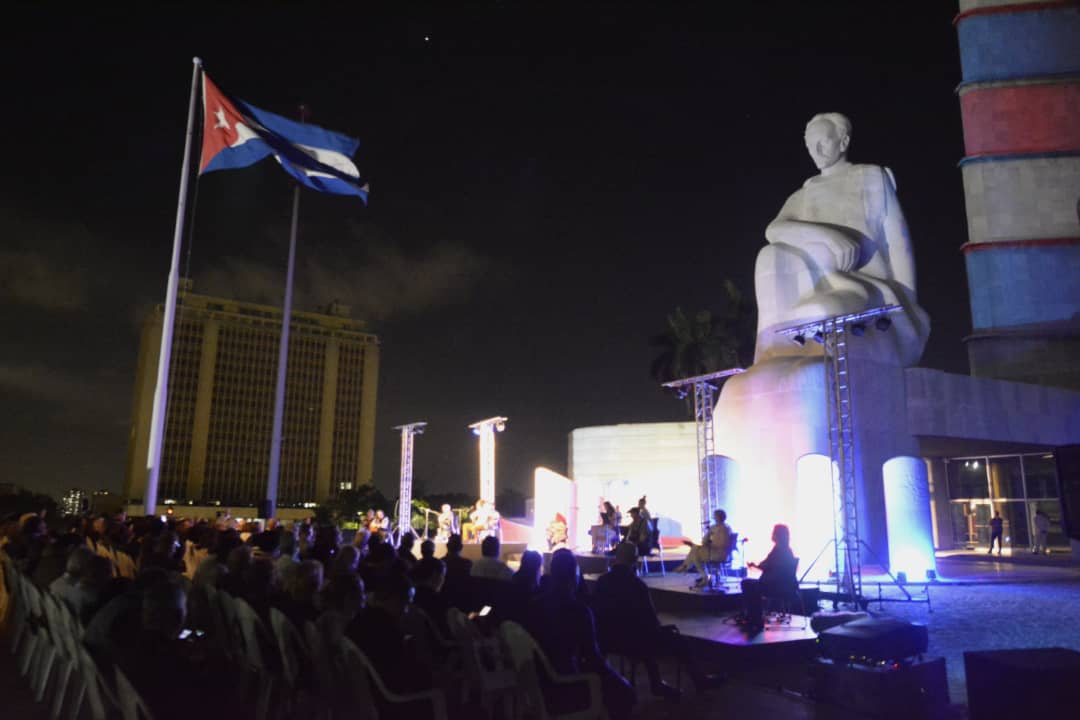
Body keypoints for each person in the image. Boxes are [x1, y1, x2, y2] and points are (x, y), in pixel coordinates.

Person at [753, 112, 928, 365]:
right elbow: (774, 229)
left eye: (823, 141)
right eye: (810, 145)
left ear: (843, 142)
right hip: (817, 280)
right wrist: (828, 236)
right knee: (768, 255)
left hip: (864, 286)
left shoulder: (871, 177)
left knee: (825, 310)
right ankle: (769, 352)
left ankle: (809, 342)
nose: (816, 150)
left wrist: (907, 305)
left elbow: (899, 245)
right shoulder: (804, 194)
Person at [593, 542, 723, 699]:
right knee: (676, 640)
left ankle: (657, 682)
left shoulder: (602, 582)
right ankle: (697, 680)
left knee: (643, 634)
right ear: (635, 560)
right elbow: (650, 619)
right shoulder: (637, 585)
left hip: (608, 639)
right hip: (633, 640)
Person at [527, 549, 636, 716]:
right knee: (626, 694)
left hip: (538, 682)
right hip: (567, 684)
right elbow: (593, 657)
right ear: (574, 575)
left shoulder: (535, 606)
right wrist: (618, 680)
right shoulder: (578, 612)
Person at [740, 524, 798, 635]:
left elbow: (766, 565)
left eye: (774, 532)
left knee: (747, 584)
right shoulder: (786, 549)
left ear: (778, 535)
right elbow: (769, 565)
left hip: (776, 586)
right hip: (785, 586)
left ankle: (755, 618)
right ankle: (754, 617)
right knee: (751, 585)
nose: (772, 534)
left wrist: (755, 565)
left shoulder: (778, 550)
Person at [674, 509, 733, 587]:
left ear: (717, 517)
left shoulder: (719, 528)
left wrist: (709, 534)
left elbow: (709, 542)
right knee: (695, 551)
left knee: (695, 554)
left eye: (714, 516)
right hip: (723, 554)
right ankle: (692, 570)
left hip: (716, 554)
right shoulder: (728, 527)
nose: (713, 517)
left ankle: (690, 568)